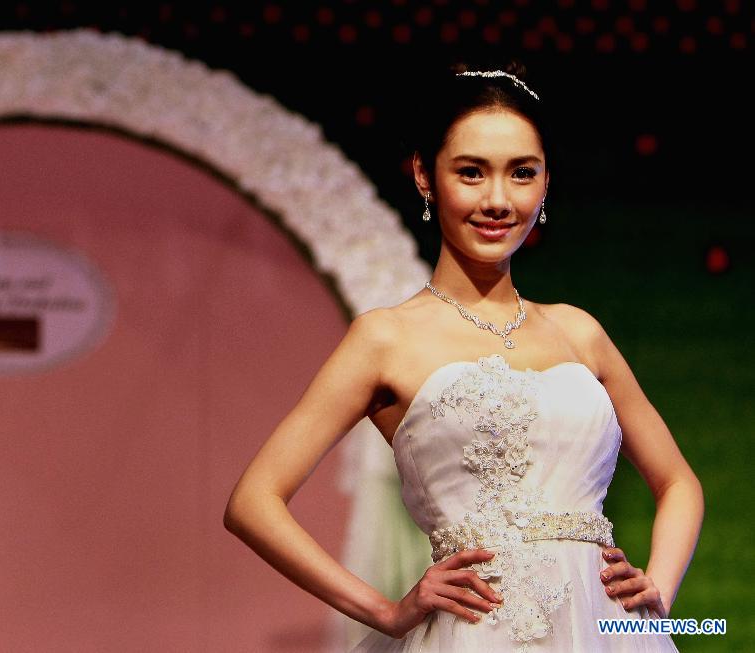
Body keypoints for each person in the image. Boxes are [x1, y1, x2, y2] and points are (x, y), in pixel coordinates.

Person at [224, 60, 703, 652]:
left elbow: (678, 481)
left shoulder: (579, 333)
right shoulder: (386, 339)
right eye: (472, 173)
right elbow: (253, 502)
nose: (498, 200)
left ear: (546, 182)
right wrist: (385, 611)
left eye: (522, 174)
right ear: (426, 176)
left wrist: (657, 596)